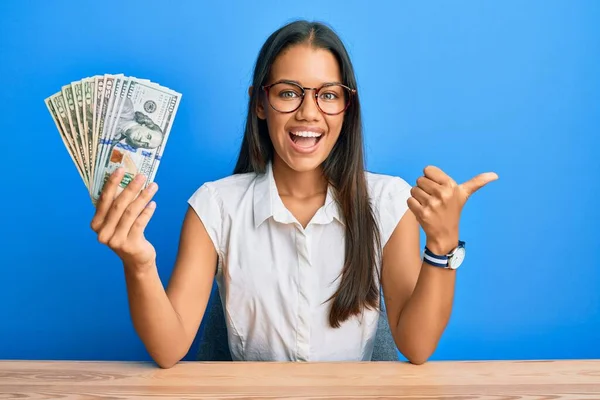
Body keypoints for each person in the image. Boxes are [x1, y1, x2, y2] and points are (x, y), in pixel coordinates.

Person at [90, 20, 498, 368]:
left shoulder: (388, 202)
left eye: (328, 95)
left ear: (347, 107)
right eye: (289, 92)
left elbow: (417, 345)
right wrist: (139, 264)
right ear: (260, 104)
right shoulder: (215, 206)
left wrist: (442, 246)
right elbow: (167, 349)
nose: (308, 112)